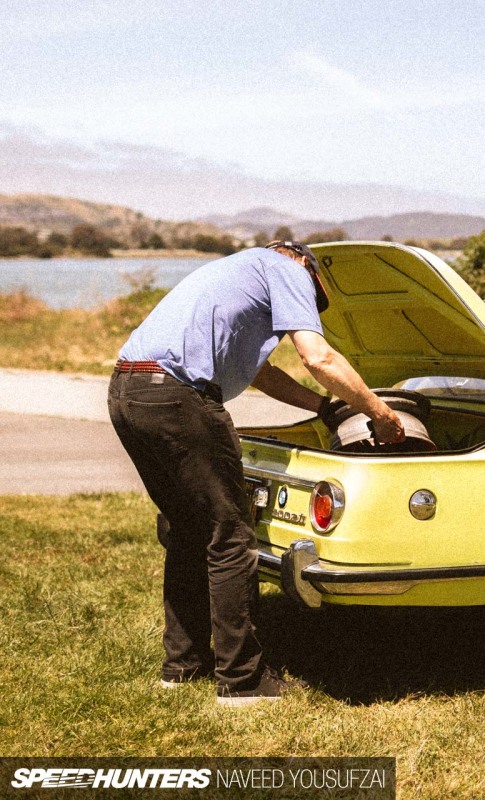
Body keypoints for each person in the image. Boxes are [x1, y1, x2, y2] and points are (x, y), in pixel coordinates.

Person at [108, 241, 406, 706]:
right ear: (303, 265)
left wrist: (324, 408)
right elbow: (318, 357)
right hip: (178, 396)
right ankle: (242, 680)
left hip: (129, 389)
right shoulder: (288, 269)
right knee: (230, 535)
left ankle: (182, 667)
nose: (310, 304)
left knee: (188, 532)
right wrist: (379, 413)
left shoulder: (237, 270)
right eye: (315, 297)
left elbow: (261, 374)